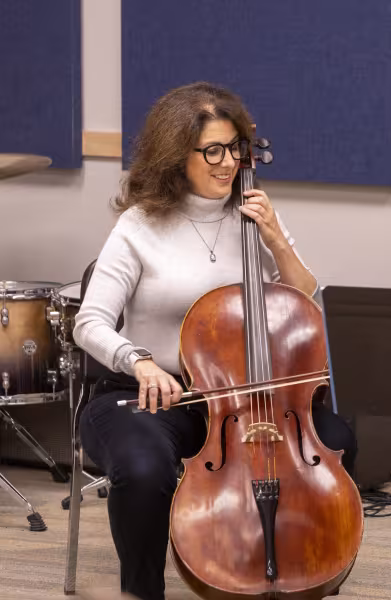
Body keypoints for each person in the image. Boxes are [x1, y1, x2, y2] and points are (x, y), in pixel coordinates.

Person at [74, 82, 357, 600]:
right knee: (143, 469)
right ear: (175, 155)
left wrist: (274, 237)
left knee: (337, 438)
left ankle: (299, 569)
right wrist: (139, 362)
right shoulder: (139, 226)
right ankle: (142, 591)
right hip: (146, 392)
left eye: (234, 148)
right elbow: (89, 321)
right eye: (212, 151)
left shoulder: (252, 214)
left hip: (244, 396)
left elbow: (304, 300)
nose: (227, 163)